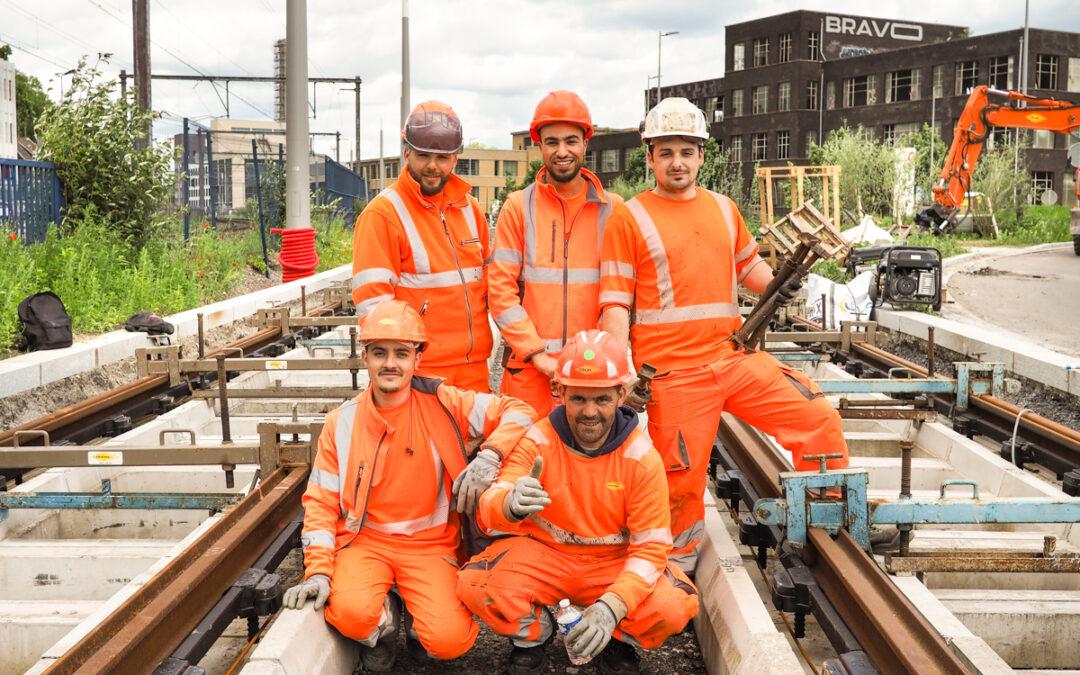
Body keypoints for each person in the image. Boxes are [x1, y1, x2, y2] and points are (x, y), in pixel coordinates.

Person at [599, 97, 849, 573]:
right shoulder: (628, 218)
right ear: (649, 156)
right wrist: (620, 371)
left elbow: (748, 267)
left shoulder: (722, 208)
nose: (677, 162)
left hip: (733, 358)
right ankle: (674, 571)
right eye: (666, 151)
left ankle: (828, 519)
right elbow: (614, 301)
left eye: (687, 151)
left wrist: (782, 284)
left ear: (700, 155)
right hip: (672, 376)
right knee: (677, 483)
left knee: (815, 414)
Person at [282, 300, 535, 671]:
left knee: (448, 641)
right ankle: (385, 620)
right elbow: (320, 502)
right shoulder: (342, 423)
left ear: (417, 359)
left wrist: (490, 455)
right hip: (365, 542)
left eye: (402, 353)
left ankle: (417, 623)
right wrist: (318, 570)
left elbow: (521, 411)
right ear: (364, 357)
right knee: (351, 615)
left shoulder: (446, 403)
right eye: (379, 353)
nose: (390, 363)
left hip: (430, 544)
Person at [458, 330, 699, 675]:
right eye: (579, 399)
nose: (590, 412)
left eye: (601, 399)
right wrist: (508, 503)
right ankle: (534, 637)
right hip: (547, 557)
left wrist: (612, 607)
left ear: (620, 394)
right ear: (561, 393)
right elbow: (491, 504)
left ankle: (616, 639)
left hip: (613, 563)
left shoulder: (641, 458)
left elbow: (649, 550)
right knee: (476, 584)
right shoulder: (538, 440)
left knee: (673, 605)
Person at [488, 91, 622, 415]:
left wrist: (601, 357)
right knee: (525, 461)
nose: (562, 152)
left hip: (592, 377)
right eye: (552, 142)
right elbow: (500, 293)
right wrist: (537, 355)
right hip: (530, 374)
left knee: (585, 463)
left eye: (571, 141)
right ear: (540, 146)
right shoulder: (519, 208)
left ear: (585, 143)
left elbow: (621, 294)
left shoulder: (614, 211)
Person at [351, 100, 492, 392]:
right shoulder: (383, 215)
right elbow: (374, 307)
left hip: (474, 368)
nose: (432, 166)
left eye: (442, 157)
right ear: (406, 153)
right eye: (423, 155)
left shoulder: (471, 210)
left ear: (455, 159)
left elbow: (491, 284)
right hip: (421, 373)